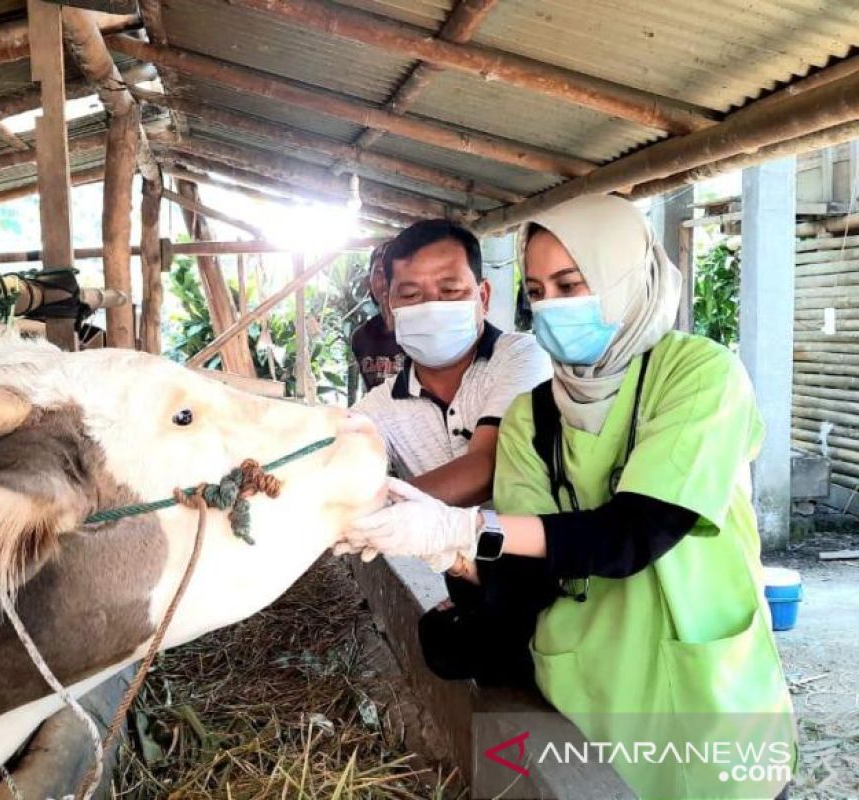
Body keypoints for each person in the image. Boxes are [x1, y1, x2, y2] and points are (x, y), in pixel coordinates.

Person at [340, 195, 797, 799]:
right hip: (586, 689)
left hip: (706, 687)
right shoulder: (535, 413)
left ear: (625, 274)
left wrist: (466, 530)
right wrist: (449, 557)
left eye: (570, 283)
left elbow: (633, 534)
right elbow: (530, 569)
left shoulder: (700, 375)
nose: (554, 306)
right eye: (539, 290)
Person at [353, 219, 550, 508]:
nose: (432, 306)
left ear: (482, 297)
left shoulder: (522, 356)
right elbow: (337, 457)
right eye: (410, 295)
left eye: (450, 290)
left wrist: (379, 509)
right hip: (427, 554)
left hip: (520, 549)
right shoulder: (379, 408)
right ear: (391, 308)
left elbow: (488, 464)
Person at [349, 242, 405, 391]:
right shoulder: (361, 338)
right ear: (369, 281)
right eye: (380, 271)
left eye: (393, 271)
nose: (386, 280)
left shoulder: (425, 332)